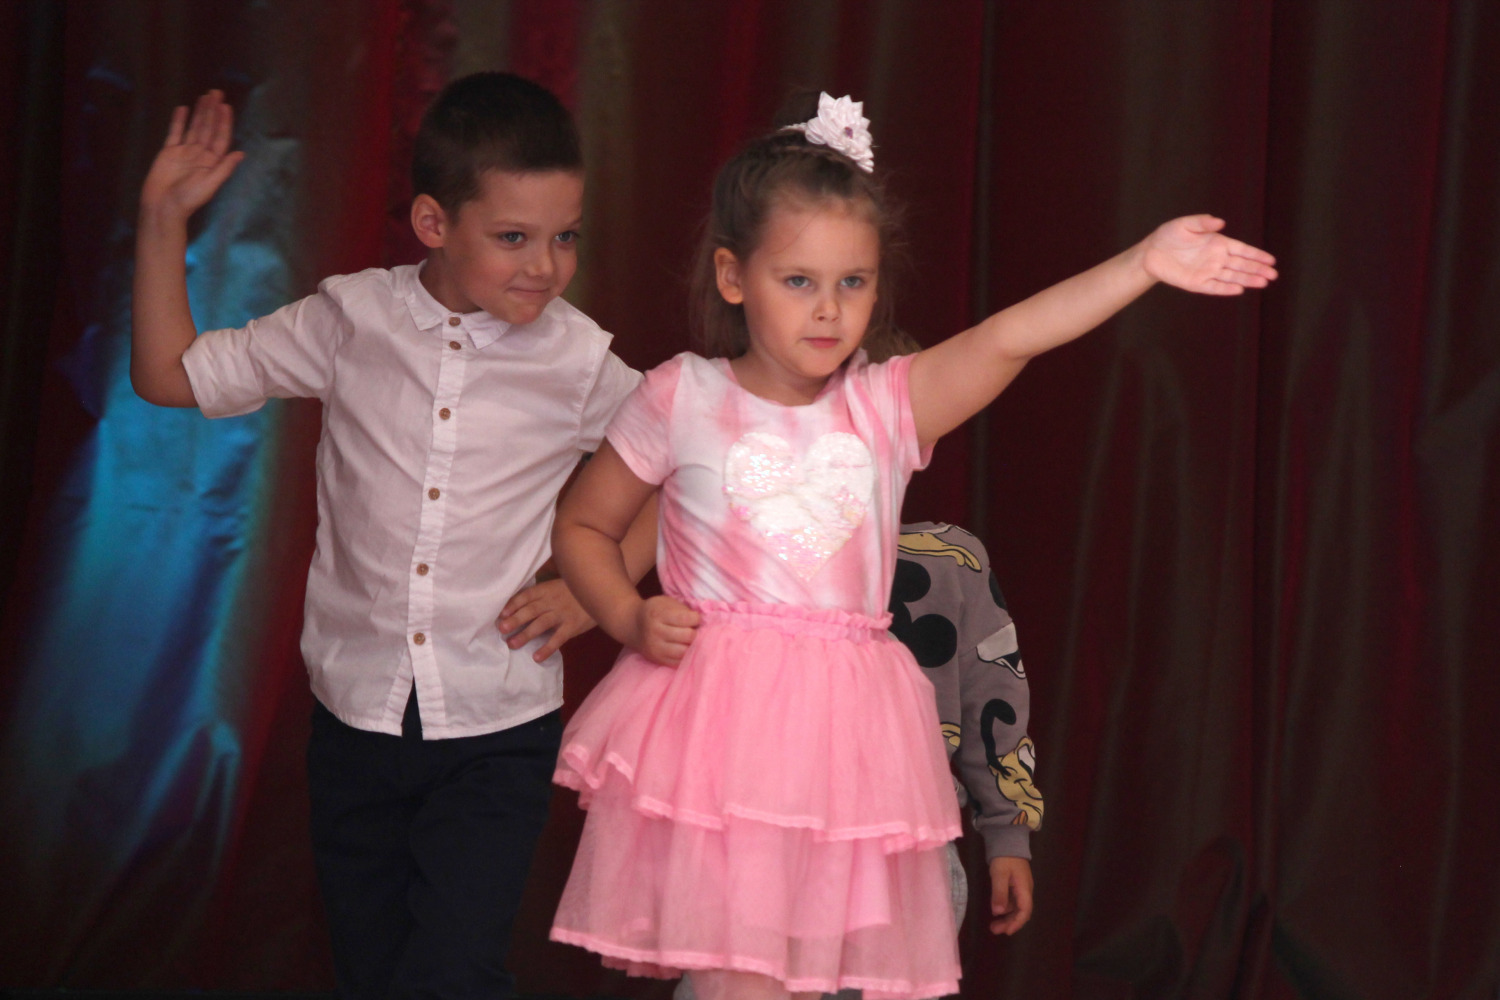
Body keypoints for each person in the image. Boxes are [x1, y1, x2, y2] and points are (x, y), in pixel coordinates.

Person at [546, 93, 1276, 1000]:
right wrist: (625, 614)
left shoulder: (886, 406)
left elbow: (1010, 337)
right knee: (738, 981)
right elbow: (583, 526)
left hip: (849, 742)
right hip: (721, 735)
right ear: (733, 277)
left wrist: (1142, 264)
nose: (829, 310)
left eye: (853, 283)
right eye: (798, 281)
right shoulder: (680, 396)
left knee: (819, 978)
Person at [130, 73, 653, 999]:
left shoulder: (578, 359)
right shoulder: (350, 318)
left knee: (454, 972)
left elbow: (683, 468)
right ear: (432, 223)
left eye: (565, 236)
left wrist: (592, 591)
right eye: (514, 237)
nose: (545, 266)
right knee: (371, 969)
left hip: (497, 724)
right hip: (354, 721)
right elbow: (171, 376)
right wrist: (163, 220)